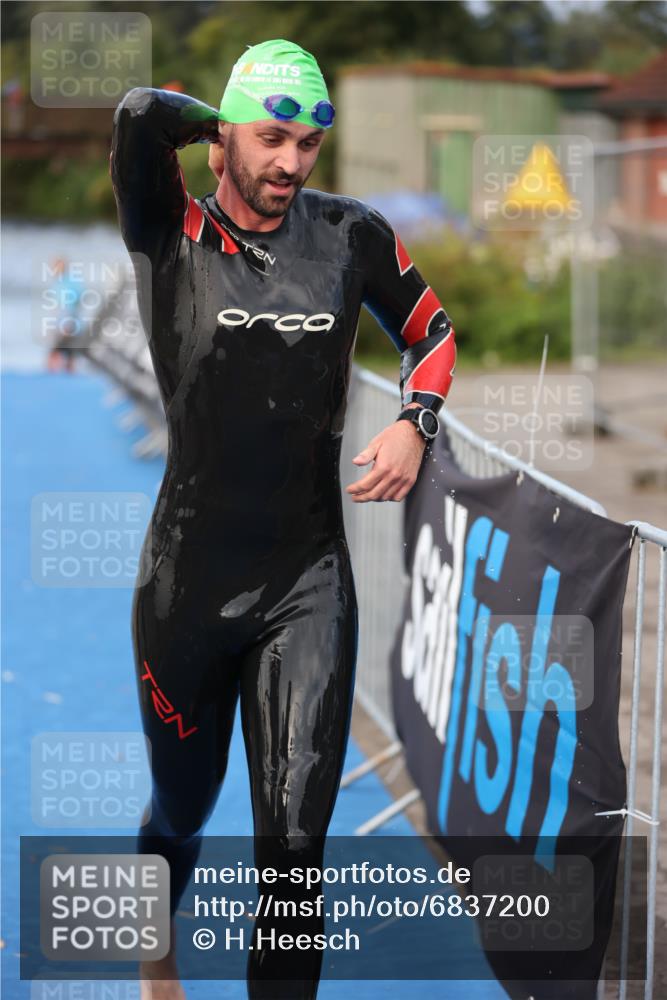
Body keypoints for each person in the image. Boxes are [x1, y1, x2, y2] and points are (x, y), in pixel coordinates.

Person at [110, 38, 456, 1000]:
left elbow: (431, 331)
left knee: (296, 852)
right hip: (186, 585)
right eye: (270, 139)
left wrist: (415, 423)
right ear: (221, 140)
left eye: (307, 144)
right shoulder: (168, 229)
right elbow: (138, 112)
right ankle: (153, 941)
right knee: (181, 811)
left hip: (307, 584)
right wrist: (222, 122)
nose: (290, 163)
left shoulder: (350, 235)